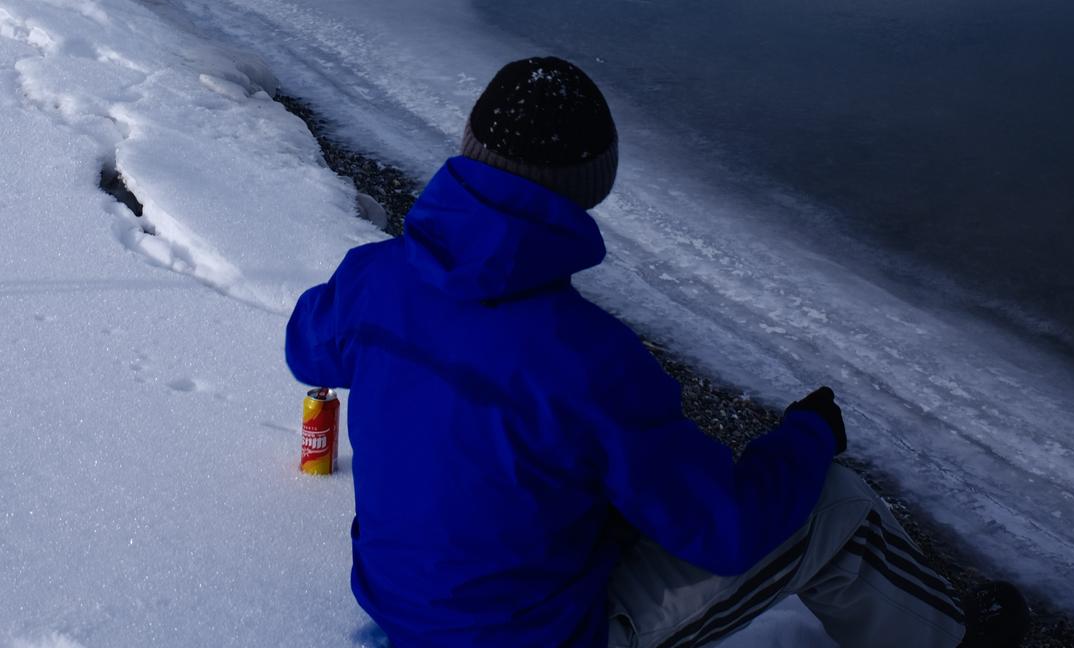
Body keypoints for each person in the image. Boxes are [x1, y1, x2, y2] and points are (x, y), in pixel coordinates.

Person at [285, 56, 1028, 648]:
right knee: (834, 504)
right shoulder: (590, 360)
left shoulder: (372, 281)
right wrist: (806, 438)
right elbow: (726, 529)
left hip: (406, 604)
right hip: (542, 636)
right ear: (588, 189)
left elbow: (305, 350)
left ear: (470, 154)